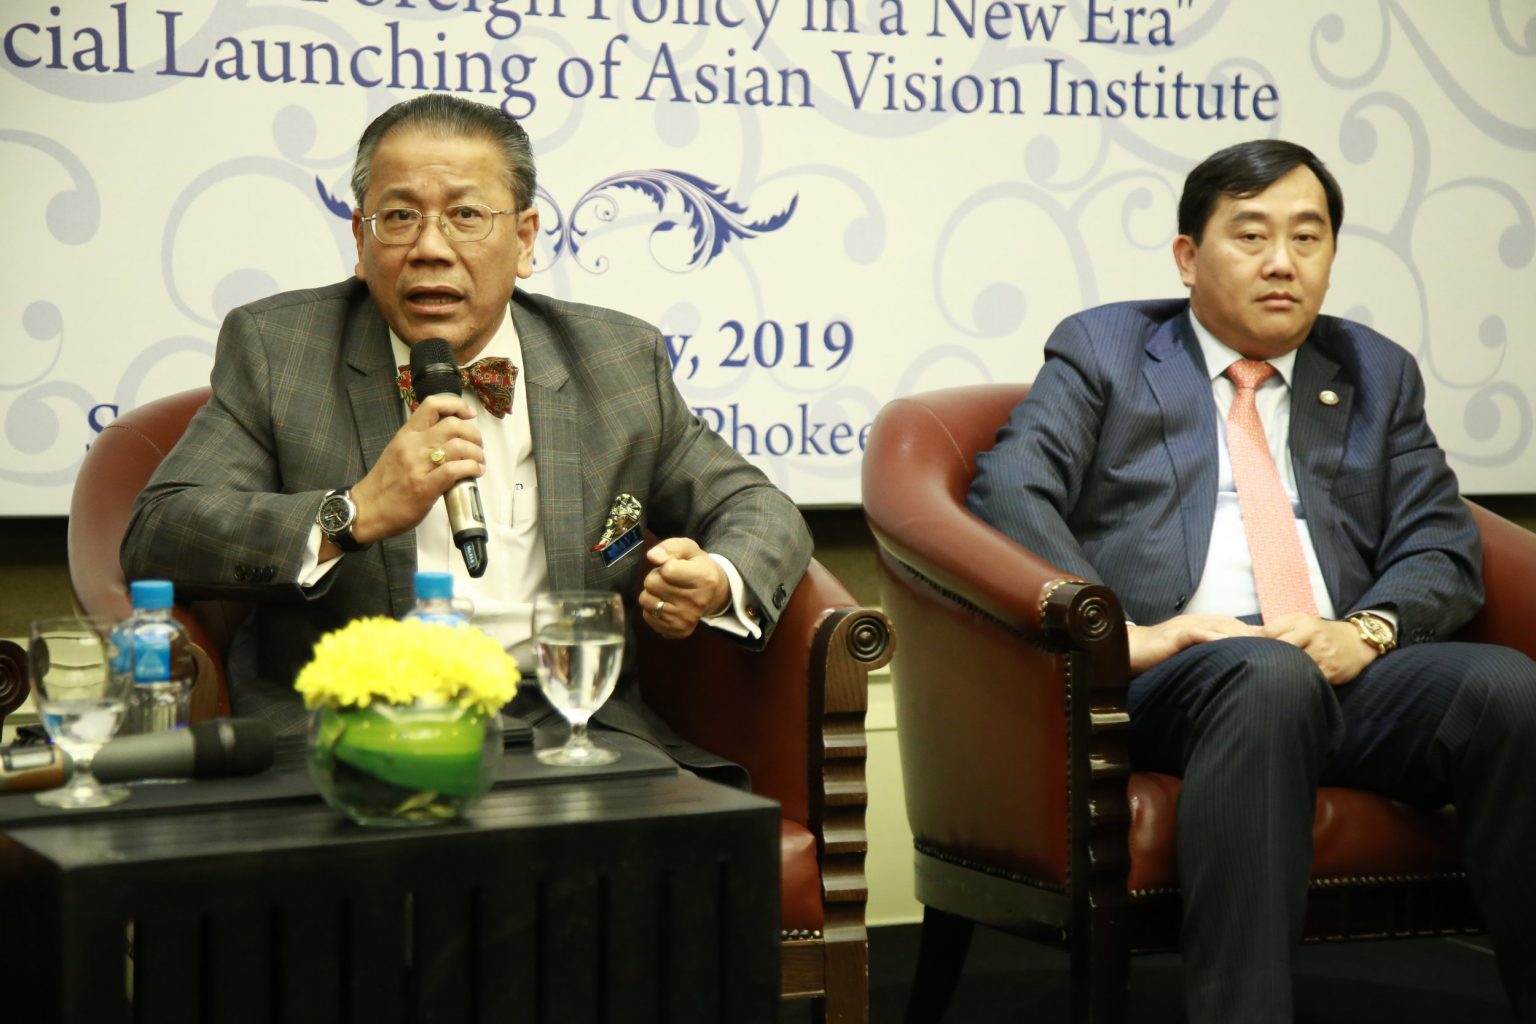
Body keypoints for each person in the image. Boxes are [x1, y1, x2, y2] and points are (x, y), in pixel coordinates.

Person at [968, 139, 1536, 1021]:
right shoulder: (1107, 349)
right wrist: (1122, 635)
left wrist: (1366, 633)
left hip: (1340, 669)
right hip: (1172, 679)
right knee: (1267, 677)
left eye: (1308, 238)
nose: (1282, 262)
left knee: (1508, 689)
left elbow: (1440, 542)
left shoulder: (1376, 372)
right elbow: (1009, 490)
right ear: (1188, 257)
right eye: (1251, 235)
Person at [121, 95, 812, 780]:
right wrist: (351, 513)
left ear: (526, 240)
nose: (430, 248)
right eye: (399, 217)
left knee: (688, 839)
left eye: (466, 216)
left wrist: (717, 580)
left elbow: (755, 506)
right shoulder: (280, 350)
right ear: (361, 241)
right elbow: (161, 529)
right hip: (357, 728)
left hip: (569, 724)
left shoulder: (617, 361)